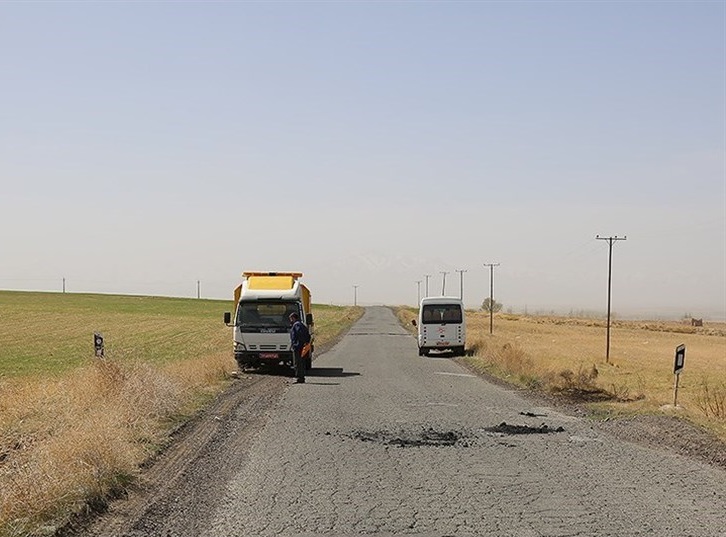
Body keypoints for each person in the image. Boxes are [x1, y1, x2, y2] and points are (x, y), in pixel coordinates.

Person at [289, 312, 310, 383]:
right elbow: (307, 335)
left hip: (298, 347)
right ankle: (301, 377)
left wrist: (296, 344)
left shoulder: (297, 325)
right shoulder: (302, 325)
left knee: (298, 363)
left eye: (291, 319)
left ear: (293, 318)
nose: (290, 320)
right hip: (301, 346)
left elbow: (299, 336)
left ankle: (300, 378)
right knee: (300, 362)